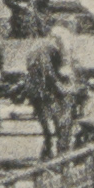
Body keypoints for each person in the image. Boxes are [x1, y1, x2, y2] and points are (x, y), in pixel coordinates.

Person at [21, 16, 86, 161]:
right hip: (46, 90)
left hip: (36, 89)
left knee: (50, 120)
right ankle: (60, 149)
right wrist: (63, 86)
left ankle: (50, 145)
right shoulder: (51, 46)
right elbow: (54, 71)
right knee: (61, 118)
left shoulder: (40, 45)